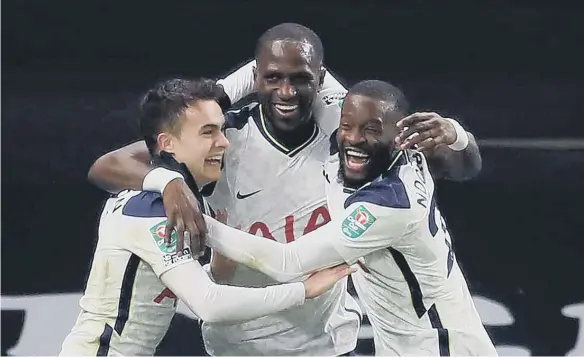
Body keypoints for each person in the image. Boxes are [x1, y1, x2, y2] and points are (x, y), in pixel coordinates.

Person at [87, 23, 482, 356]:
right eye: (272, 78)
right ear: (256, 77)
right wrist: (169, 180)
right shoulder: (222, 136)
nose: (287, 93)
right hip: (237, 346)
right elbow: (110, 165)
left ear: (321, 78)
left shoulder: (347, 133)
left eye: (300, 80)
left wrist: (457, 136)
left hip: (328, 343)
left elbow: (462, 167)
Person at [59, 78, 354, 356]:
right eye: (207, 132)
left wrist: (219, 269)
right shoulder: (150, 210)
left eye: (222, 130)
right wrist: (303, 290)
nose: (224, 142)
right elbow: (209, 304)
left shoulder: (176, 204)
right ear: (167, 143)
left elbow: (273, 259)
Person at [203, 79, 498, 356]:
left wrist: (201, 223)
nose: (354, 138)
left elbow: (287, 262)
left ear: (400, 137)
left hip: (439, 347)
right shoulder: (391, 153)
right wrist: (457, 134)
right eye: (347, 125)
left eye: (371, 130)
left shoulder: (389, 204)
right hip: (414, 343)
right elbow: (304, 64)